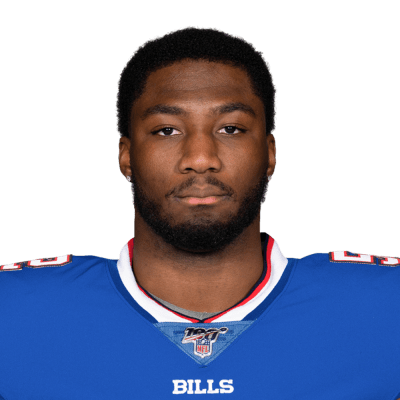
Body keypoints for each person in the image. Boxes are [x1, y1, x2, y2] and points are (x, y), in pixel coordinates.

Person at [0, 27, 399, 400]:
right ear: (125, 156)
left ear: (270, 153)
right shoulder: (13, 311)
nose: (201, 158)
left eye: (231, 129)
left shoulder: (387, 307)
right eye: (166, 130)